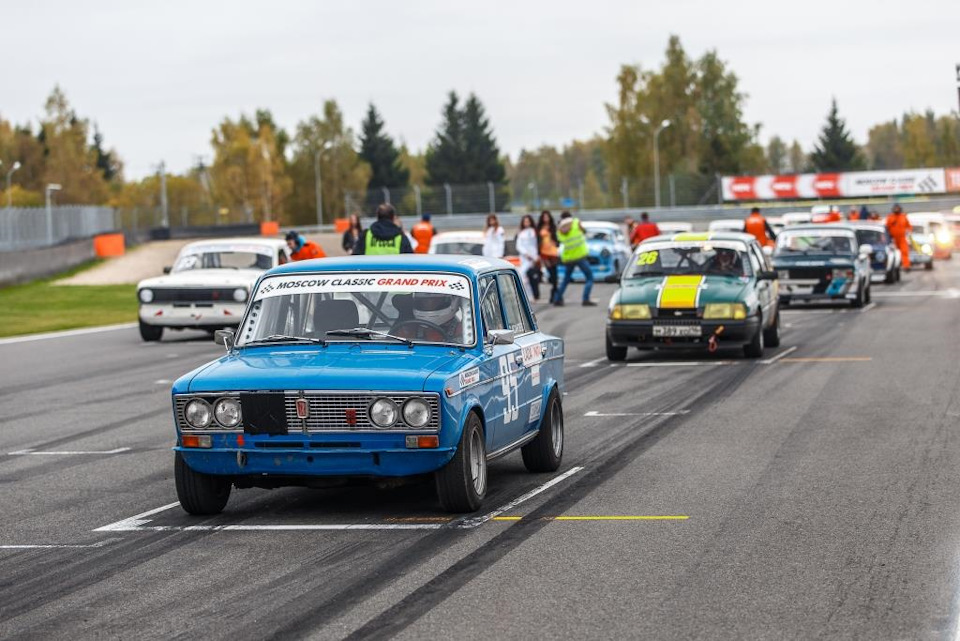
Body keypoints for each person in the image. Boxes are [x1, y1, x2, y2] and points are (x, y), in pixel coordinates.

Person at [553, 211, 596, 306]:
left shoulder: (559, 229)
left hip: (569, 258)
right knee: (589, 277)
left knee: (566, 279)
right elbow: (584, 231)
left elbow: (559, 240)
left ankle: (557, 299)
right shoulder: (576, 222)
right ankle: (585, 299)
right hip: (580, 256)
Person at [515, 214, 541, 301]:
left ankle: (532, 296)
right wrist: (525, 254)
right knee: (523, 276)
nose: (526, 223)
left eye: (528, 221)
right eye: (525, 221)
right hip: (524, 258)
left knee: (531, 277)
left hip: (533, 258)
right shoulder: (521, 233)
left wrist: (535, 257)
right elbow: (519, 246)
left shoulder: (534, 232)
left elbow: (535, 246)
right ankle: (527, 296)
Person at [538, 211, 560, 304]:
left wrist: (557, 243)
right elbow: (537, 240)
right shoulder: (539, 228)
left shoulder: (553, 227)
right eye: (544, 217)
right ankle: (554, 292)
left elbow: (558, 239)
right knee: (551, 274)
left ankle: (554, 294)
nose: (546, 218)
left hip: (553, 252)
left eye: (547, 217)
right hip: (544, 253)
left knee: (555, 275)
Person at [885, 204, 912, 269]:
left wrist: (909, 231)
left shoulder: (903, 216)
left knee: (905, 251)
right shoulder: (890, 217)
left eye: (897, 208)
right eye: (895, 208)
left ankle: (906, 265)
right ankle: (894, 265)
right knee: (893, 253)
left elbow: (909, 226)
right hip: (893, 238)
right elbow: (886, 227)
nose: (896, 209)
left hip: (902, 238)